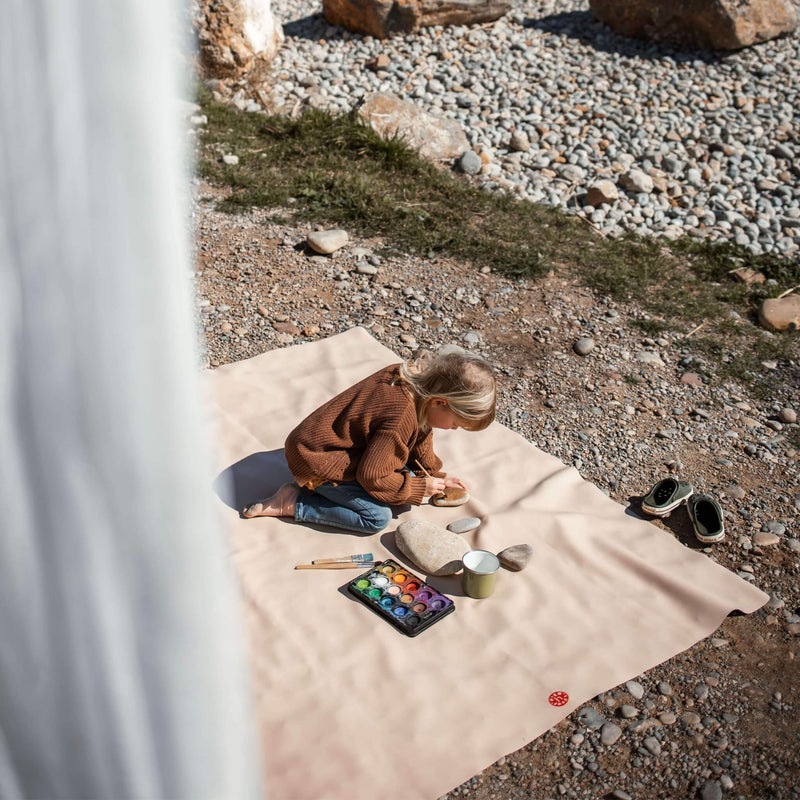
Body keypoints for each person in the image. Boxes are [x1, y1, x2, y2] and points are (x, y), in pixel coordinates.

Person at [242, 348, 496, 533]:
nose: (453, 430)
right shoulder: (400, 416)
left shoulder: (416, 384)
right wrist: (419, 488)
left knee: (400, 472)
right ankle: (292, 502)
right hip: (318, 463)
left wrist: (434, 474)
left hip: (331, 447)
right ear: (440, 402)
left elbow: (421, 434)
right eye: (456, 423)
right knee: (376, 517)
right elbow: (373, 477)